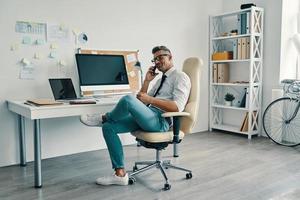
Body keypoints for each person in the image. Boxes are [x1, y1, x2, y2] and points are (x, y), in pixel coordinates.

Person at [80, 46, 191, 186]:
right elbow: (140, 100)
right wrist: (146, 81)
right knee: (108, 128)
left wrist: (150, 100)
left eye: (160, 57)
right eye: (155, 59)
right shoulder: (159, 80)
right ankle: (120, 174)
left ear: (170, 56)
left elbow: (177, 107)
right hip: (148, 116)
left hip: (160, 121)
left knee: (127, 99)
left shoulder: (181, 77)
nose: (157, 61)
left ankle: (105, 117)